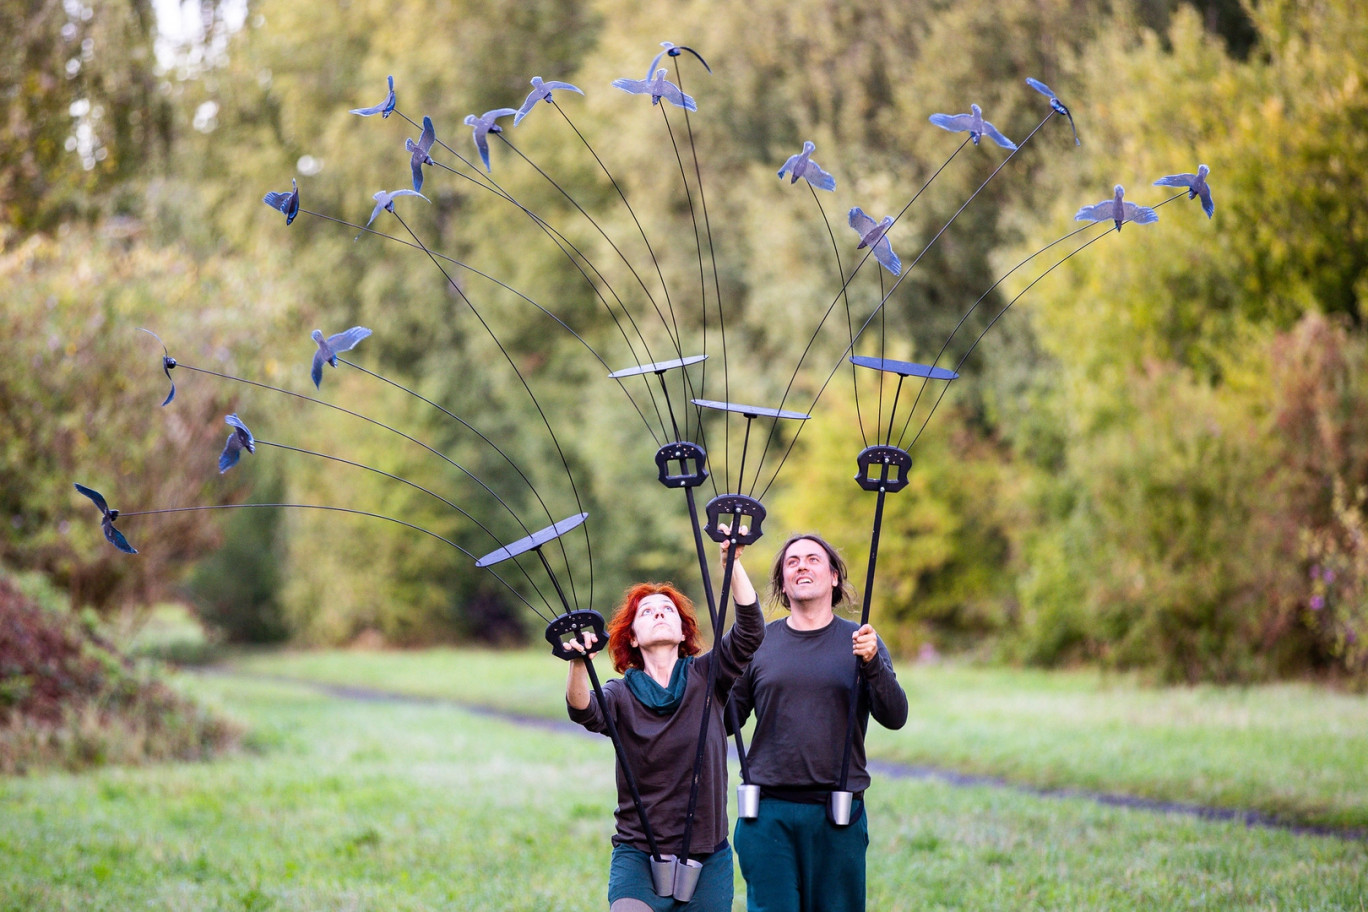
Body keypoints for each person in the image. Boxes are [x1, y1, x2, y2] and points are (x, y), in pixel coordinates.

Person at [566, 534, 763, 912]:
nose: (658, 613)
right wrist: (578, 662)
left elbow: (750, 632)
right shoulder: (621, 693)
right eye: (647, 612)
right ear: (632, 638)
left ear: (684, 631)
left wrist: (732, 566)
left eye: (668, 610)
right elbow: (583, 709)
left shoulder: (708, 675)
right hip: (639, 851)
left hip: (707, 854)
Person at [729, 532, 908, 912]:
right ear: (783, 582)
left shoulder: (862, 641)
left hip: (838, 813)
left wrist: (873, 664)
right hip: (766, 814)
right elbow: (727, 719)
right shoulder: (759, 643)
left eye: (813, 559)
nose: (802, 567)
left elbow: (895, 717)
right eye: (792, 562)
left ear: (834, 577)